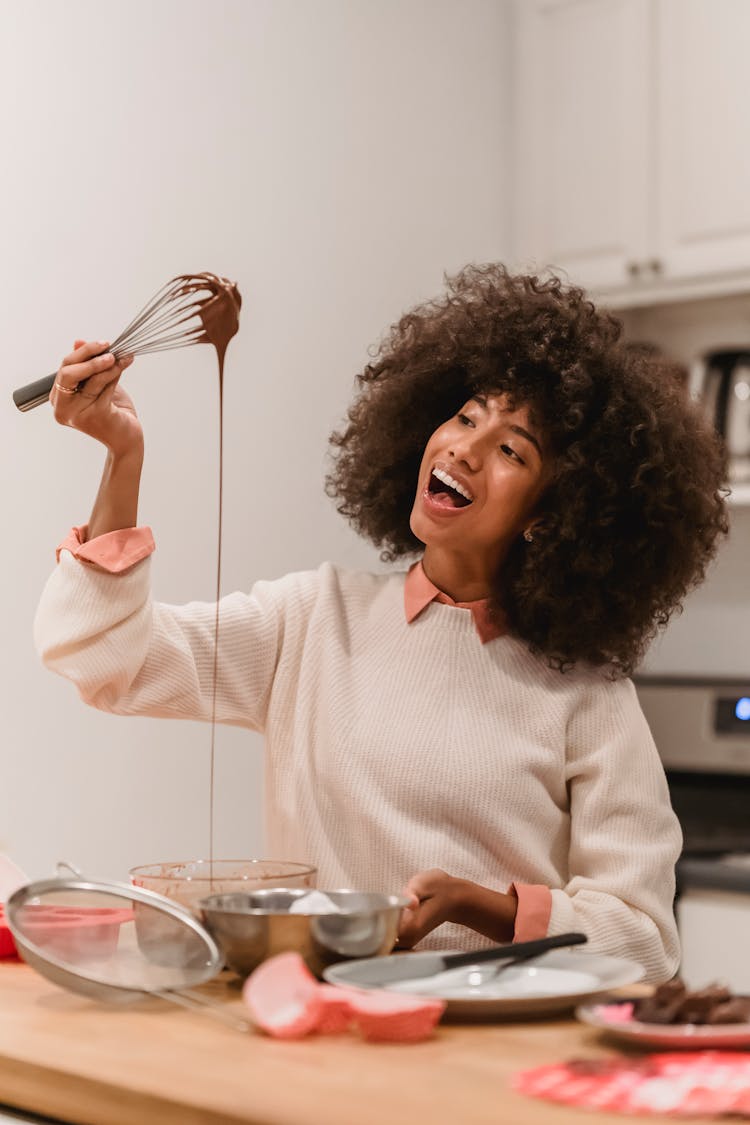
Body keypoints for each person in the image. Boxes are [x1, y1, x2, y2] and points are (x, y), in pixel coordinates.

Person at [34, 265, 728, 983]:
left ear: (551, 517)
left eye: (512, 449)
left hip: (492, 1067)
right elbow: (104, 656)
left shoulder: (589, 696)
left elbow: (646, 942)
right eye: (465, 416)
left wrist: (487, 907)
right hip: (325, 1033)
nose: (465, 447)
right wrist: (123, 454)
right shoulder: (311, 621)